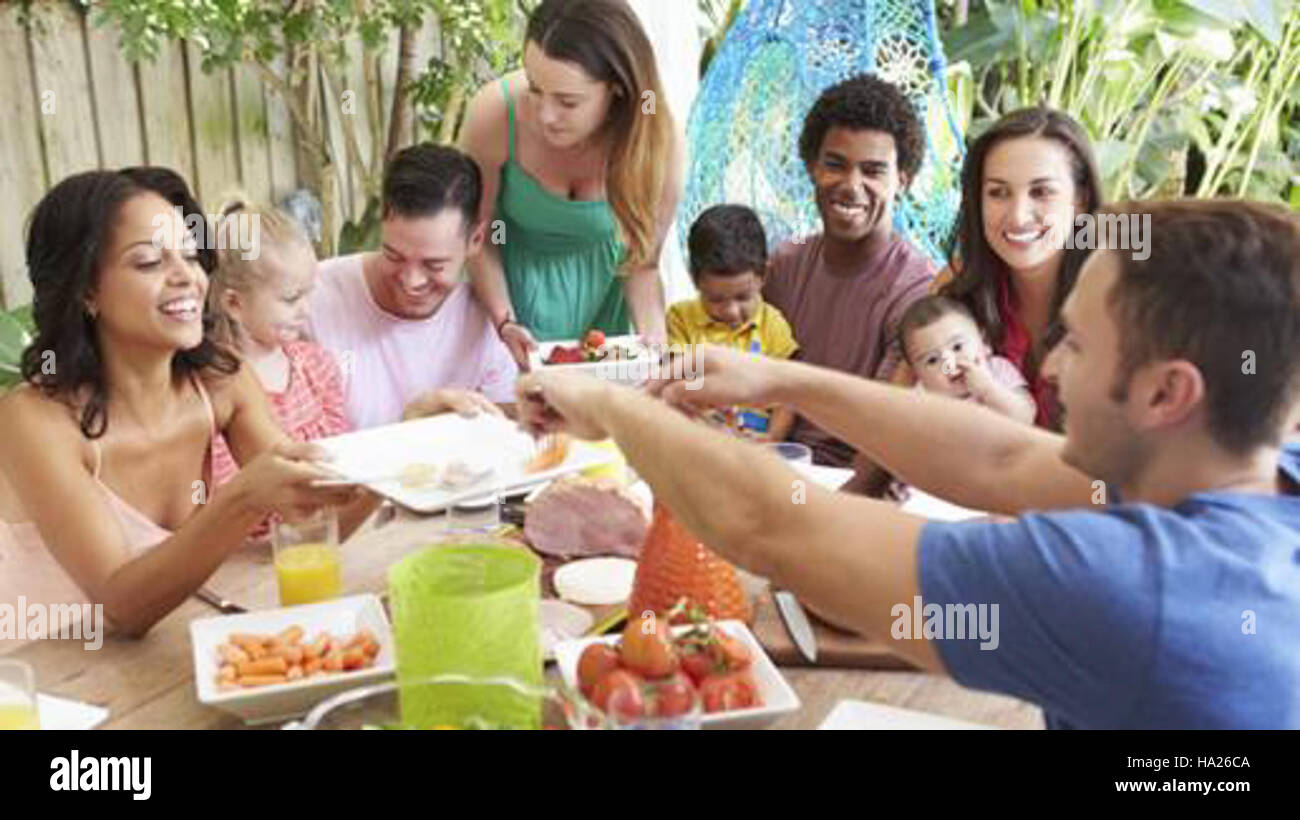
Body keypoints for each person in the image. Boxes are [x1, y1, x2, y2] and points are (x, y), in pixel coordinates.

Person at [518, 199, 1300, 729]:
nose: (1051, 366)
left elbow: (775, 528)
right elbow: (1002, 458)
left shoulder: (1144, 588)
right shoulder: (1253, 468)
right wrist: (786, 379)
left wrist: (616, 408)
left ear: (1168, 392)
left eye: (1080, 345)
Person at [0, 168, 372, 637]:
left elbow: (316, 515)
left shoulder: (220, 382)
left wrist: (407, 452)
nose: (188, 278)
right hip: (33, 674)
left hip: (153, 658)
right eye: (150, 262)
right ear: (87, 291)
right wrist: (244, 498)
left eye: (191, 257)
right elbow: (122, 605)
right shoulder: (33, 419)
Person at [459, 0, 684, 365]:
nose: (546, 115)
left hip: (602, 316)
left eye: (568, 101)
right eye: (534, 87)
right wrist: (504, 322)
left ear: (618, 89)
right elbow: (482, 235)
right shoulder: (495, 115)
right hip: (501, 304)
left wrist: (654, 348)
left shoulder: (657, 141)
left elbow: (641, 265)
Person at [762, 73, 936, 469]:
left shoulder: (917, 291)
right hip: (767, 462)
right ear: (811, 167)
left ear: (902, 181)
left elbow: (884, 432)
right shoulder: (784, 266)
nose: (851, 185)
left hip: (852, 482)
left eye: (873, 171)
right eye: (835, 165)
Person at [308, 144, 518, 429]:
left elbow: (505, 437)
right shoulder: (314, 297)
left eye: (434, 265)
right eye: (394, 256)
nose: (412, 281)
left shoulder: (483, 316)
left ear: (476, 240)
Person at [933, 106, 1104, 428]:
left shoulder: (1124, 296)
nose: (1018, 216)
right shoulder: (959, 286)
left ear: (1080, 199)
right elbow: (903, 408)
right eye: (998, 193)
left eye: (1041, 192)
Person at [206, 198, 350, 487]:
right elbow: (217, 491)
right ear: (234, 302)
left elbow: (343, 455)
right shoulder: (215, 388)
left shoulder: (317, 367)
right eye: (290, 299)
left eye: (308, 294)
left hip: (325, 523)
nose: (305, 310)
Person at [667, 204, 798, 440]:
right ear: (694, 279)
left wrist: (770, 440)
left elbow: (787, 399)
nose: (730, 311)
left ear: (763, 276)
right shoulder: (680, 320)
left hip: (756, 447)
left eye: (743, 297)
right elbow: (678, 386)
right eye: (716, 299)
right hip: (699, 441)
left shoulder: (773, 325)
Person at [897, 295, 1035, 424]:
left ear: (984, 343)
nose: (949, 363)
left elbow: (1026, 417)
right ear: (917, 374)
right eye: (932, 360)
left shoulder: (997, 370)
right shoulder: (921, 399)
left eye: (957, 347)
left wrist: (988, 390)